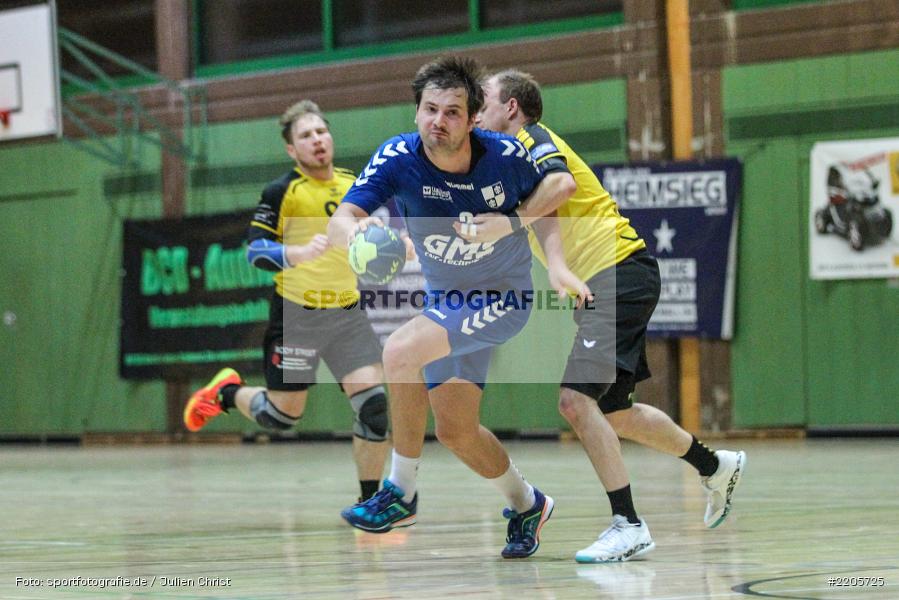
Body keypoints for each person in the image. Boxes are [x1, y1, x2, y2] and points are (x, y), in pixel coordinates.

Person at [475, 69, 746, 562]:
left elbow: (561, 186)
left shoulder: (533, 139)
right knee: (615, 410)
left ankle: (629, 524)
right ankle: (714, 466)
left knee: (575, 401)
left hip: (618, 269)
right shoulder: (511, 166)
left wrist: (507, 223)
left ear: (511, 107)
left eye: (484, 101)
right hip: (610, 279)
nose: (476, 112)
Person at [327, 56, 582, 559]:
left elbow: (550, 198)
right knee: (456, 431)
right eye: (429, 109)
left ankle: (400, 492)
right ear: (416, 110)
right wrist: (356, 234)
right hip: (447, 301)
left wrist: (550, 259)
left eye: (451, 112)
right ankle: (528, 504)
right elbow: (341, 218)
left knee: (399, 351)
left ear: (472, 120)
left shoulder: (505, 155)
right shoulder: (397, 157)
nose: (437, 121)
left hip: (501, 297)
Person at [183, 100, 390, 502]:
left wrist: (389, 240)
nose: (317, 140)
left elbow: (369, 233)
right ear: (292, 150)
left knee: (373, 408)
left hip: (347, 312)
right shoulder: (282, 191)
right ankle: (226, 394)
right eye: (306, 136)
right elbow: (254, 251)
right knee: (280, 416)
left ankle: (370, 505)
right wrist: (295, 253)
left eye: (321, 132)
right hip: (297, 317)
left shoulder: (354, 183)